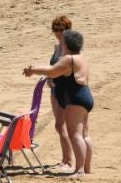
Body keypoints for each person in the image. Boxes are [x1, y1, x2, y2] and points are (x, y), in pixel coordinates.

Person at [24, 29, 93, 178]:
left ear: (67, 45)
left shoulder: (68, 59)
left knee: (74, 134)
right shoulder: (80, 56)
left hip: (75, 99)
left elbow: (52, 71)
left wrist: (33, 70)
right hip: (85, 97)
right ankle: (86, 168)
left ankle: (80, 170)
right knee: (84, 134)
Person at [44, 17, 76, 172]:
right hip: (54, 89)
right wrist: (50, 79)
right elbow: (53, 68)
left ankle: (69, 161)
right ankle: (64, 159)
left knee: (61, 125)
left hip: (65, 91)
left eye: (61, 29)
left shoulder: (70, 48)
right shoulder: (57, 46)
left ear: (67, 30)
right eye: (55, 29)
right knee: (59, 125)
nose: (58, 33)